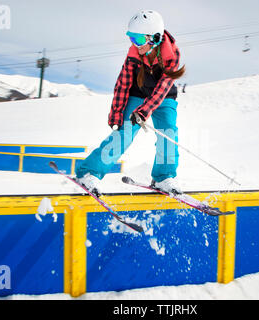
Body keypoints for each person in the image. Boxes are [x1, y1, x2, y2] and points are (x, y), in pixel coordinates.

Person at [75, 10, 186, 196]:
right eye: (132, 38)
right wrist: (117, 112)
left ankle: (163, 177)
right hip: (138, 93)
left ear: (155, 38)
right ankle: (89, 172)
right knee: (124, 134)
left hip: (164, 96)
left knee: (168, 132)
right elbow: (123, 83)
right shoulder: (134, 54)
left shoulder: (171, 55)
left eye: (139, 40)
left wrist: (144, 112)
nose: (135, 44)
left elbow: (162, 88)